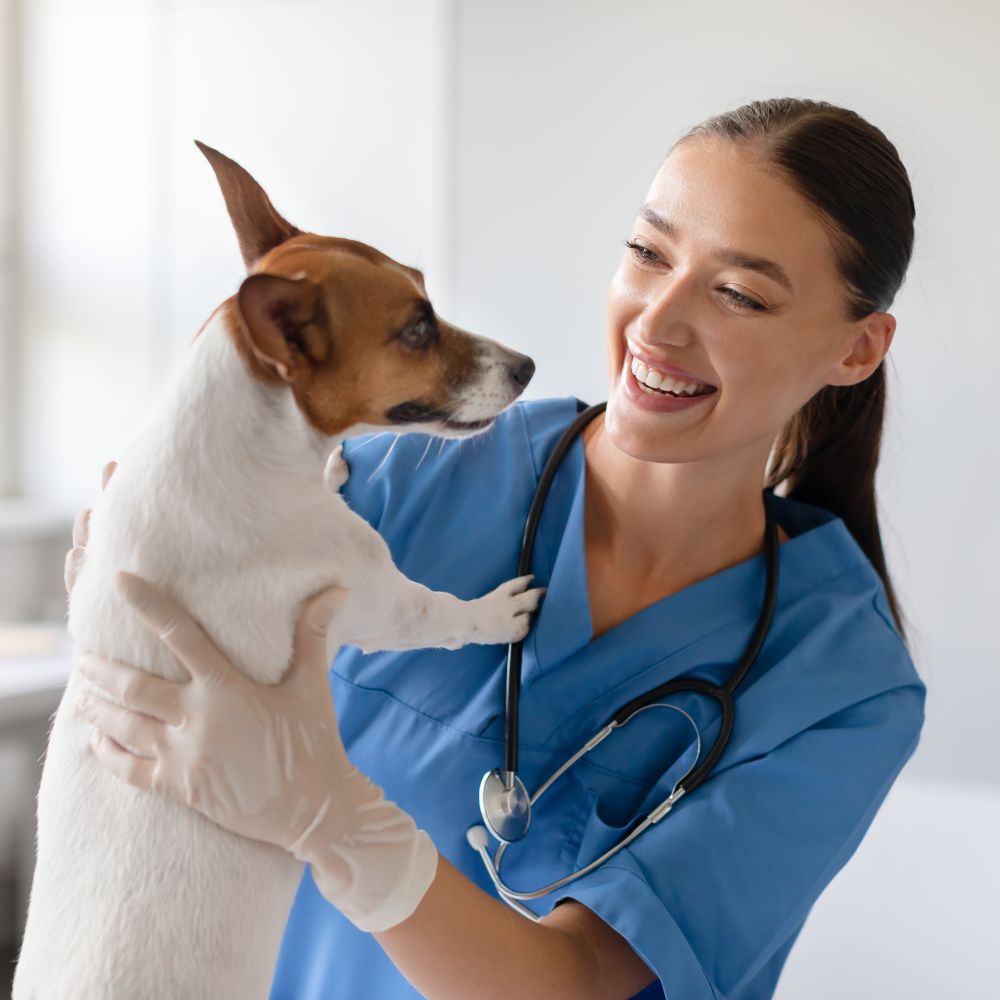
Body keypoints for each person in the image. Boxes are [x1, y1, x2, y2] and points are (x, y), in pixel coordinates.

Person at [66, 97, 926, 999]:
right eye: (647, 253)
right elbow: (137, 744)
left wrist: (335, 821)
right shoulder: (382, 483)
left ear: (858, 350)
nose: (656, 324)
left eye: (739, 294)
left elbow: (580, 978)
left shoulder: (841, 689)